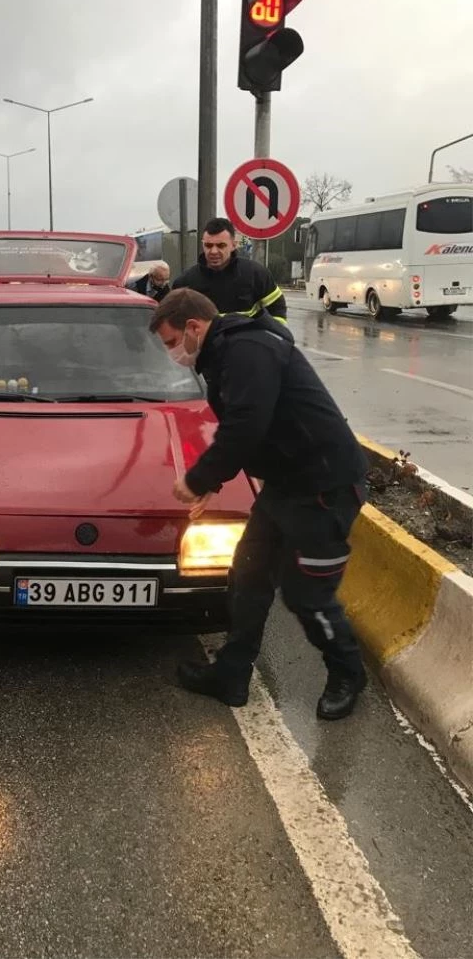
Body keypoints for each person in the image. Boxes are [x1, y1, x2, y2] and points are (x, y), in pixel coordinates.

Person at [150, 288, 368, 720]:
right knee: (248, 574)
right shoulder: (224, 352)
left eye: (172, 342)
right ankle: (231, 674)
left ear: (194, 327)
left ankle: (348, 673)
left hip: (325, 487)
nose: (173, 353)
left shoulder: (248, 349)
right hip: (287, 484)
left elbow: (248, 423)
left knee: (307, 594)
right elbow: (247, 426)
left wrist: (199, 479)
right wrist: (217, 480)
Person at [173, 217, 286, 323]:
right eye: (208, 245)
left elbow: (277, 308)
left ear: (233, 245)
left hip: (246, 343)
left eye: (221, 245)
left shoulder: (256, 274)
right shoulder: (185, 283)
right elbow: (175, 324)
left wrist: (270, 339)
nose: (213, 251)